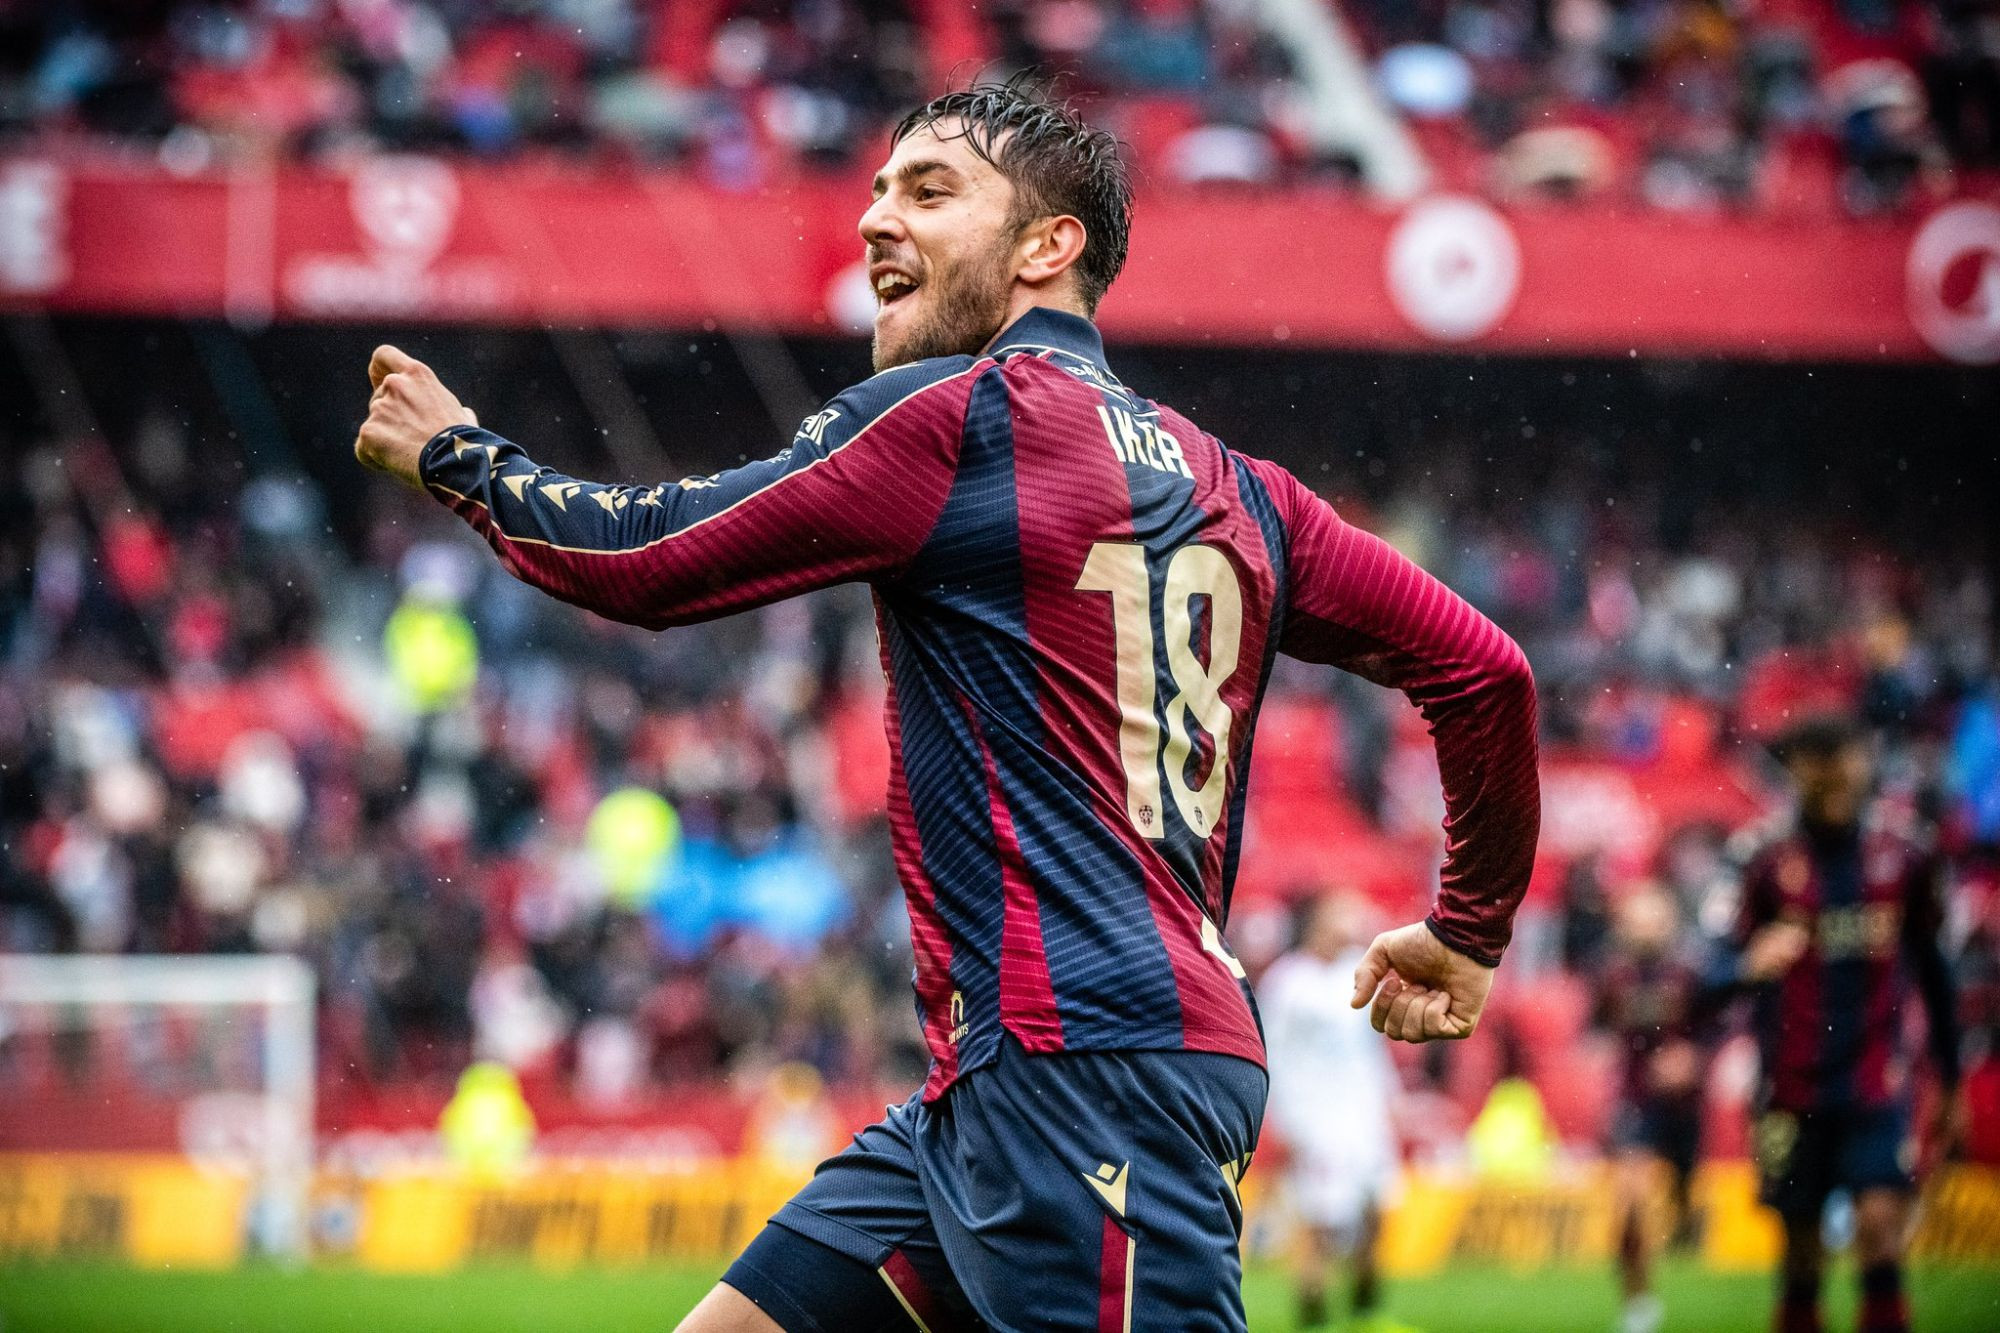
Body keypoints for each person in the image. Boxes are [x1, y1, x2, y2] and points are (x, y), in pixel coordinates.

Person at [353, 75, 1542, 1333]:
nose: (876, 218)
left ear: (1046, 247)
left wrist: (459, 456)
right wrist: (1465, 931)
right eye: (877, 190)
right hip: (1010, 1082)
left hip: (1089, 1076)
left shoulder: (960, 420)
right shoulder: (1245, 489)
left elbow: (647, 556)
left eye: (928, 191)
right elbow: (1484, 671)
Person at [1716, 718, 1964, 1333]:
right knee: (1801, 1251)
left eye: (1844, 761)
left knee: (1880, 1228)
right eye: (1817, 765)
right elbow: (1709, 970)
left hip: (1876, 1080)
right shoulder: (1761, 858)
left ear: (1865, 763)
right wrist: (1746, 964)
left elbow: (1935, 971)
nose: (1833, 778)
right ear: (1796, 771)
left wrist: (1952, 1079)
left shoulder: (1905, 853)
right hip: (1789, 1085)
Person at [1259, 894, 1411, 1333]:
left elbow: (1371, 1049)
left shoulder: (1358, 973)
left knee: (1377, 1210)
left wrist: (1391, 1099)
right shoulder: (1287, 983)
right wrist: (1282, 1120)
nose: (1350, 922)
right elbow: (1271, 1054)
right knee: (1320, 1220)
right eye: (1340, 913)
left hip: (1363, 1113)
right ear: (1315, 922)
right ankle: (1314, 1312)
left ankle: (1366, 1308)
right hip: (1315, 1119)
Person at [1596, 884, 1709, 1333]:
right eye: (1636, 920)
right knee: (1630, 1205)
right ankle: (1638, 1305)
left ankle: (1684, 1212)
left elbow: (1719, 1026)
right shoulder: (1611, 975)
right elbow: (1597, 1026)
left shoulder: (1693, 973)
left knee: (1682, 1200)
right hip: (1636, 1102)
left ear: (1669, 923)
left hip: (1685, 1106)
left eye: (1653, 920)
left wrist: (1694, 1058)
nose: (1645, 930)